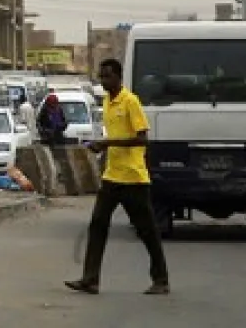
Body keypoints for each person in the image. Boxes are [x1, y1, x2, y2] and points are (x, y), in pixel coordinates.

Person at [66, 59, 169, 297]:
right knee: (98, 225)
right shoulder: (107, 102)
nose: (103, 82)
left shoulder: (130, 101)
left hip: (133, 178)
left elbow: (142, 138)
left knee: (147, 231)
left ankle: (161, 279)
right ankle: (90, 279)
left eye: (108, 77)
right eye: (101, 77)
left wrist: (108, 143)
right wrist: (102, 147)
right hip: (112, 176)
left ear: (118, 78)